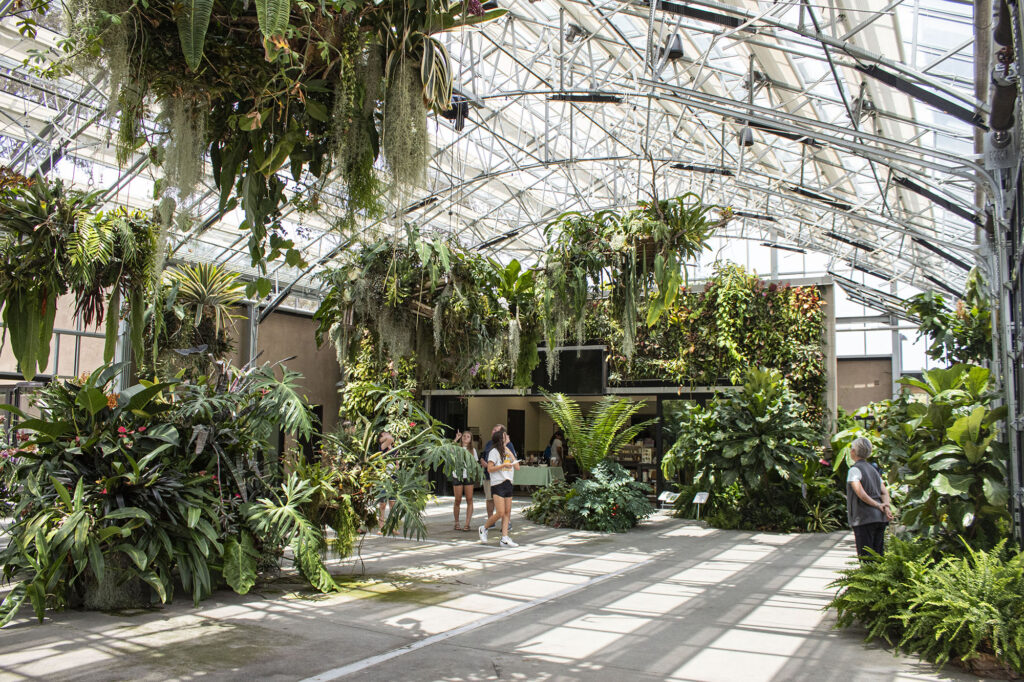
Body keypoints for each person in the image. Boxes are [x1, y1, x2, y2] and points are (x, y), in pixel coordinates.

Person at [846, 437, 895, 559]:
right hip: (879, 518)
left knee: (866, 557)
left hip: (864, 518)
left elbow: (860, 493)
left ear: (853, 451)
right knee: (878, 554)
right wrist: (886, 507)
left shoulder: (854, 470)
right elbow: (884, 492)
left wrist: (878, 505)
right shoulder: (873, 469)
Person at [479, 427, 520, 548]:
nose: (507, 438)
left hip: (508, 482)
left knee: (507, 512)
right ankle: (484, 528)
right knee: (500, 512)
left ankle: (505, 538)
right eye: (505, 436)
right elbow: (490, 468)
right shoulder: (494, 452)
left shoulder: (508, 450)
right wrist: (503, 465)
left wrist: (510, 454)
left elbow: (517, 467)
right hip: (498, 484)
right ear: (500, 439)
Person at [481, 424, 517, 520]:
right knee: (489, 499)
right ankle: (490, 519)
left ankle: (506, 523)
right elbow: (484, 456)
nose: (493, 432)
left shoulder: (509, 445)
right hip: (489, 476)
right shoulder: (489, 443)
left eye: (496, 430)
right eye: (493, 429)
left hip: (503, 478)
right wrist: (483, 461)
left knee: (504, 504)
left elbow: (515, 463)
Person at [451, 430, 476, 531]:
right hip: (457, 475)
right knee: (458, 500)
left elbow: (475, 464)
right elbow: (448, 450)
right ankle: (457, 522)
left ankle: (467, 523)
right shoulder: (456, 448)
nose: (465, 438)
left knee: (469, 499)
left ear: (470, 440)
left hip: (468, 476)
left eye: (468, 437)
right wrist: (456, 439)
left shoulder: (472, 450)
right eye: (464, 436)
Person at [376, 431, 398, 535]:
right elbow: (390, 439)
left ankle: (392, 526)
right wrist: (388, 437)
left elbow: (397, 462)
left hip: (393, 477)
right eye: (385, 434)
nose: (388, 434)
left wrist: (396, 468)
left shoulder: (394, 447)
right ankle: (381, 527)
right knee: (383, 504)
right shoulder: (383, 446)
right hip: (384, 477)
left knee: (392, 503)